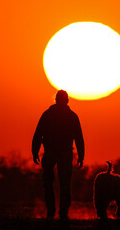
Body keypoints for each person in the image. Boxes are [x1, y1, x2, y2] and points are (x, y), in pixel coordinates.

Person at [32, 90, 85, 220]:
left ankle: (55, 211)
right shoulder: (71, 116)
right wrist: (81, 155)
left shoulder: (48, 115)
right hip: (60, 153)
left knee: (52, 183)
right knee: (62, 184)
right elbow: (79, 138)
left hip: (55, 153)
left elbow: (38, 134)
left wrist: (35, 151)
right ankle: (61, 212)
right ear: (66, 100)